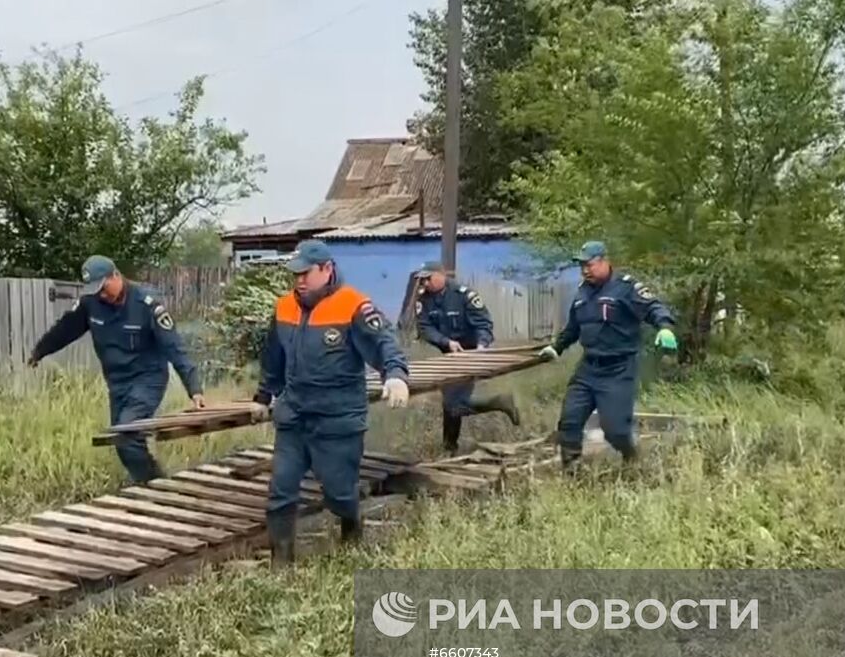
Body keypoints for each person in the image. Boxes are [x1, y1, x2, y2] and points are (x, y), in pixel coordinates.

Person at [252, 240, 410, 568]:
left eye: (306, 273)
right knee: (281, 490)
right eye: (294, 274)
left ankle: (351, 524)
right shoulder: (284, 307)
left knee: (338, 493)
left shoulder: (354, 306)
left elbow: (384, 344)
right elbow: (273, 357)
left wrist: (394, 375)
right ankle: (282, 563)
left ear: (326, 269)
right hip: (294, 415)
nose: (299, 280)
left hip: (337, 419)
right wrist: (264, 395)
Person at [29, 255, 205, 483]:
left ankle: (156, 487)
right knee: (122, 440)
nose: (101, 295)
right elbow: (66, 329)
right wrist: (40, 351)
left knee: (126, 434)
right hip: (116, 382)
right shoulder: (90, 303)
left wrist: (194, 388)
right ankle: (152, 484)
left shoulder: (146, 305)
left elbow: (175, 347)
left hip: (147, 379)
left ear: (116, 276)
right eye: (96, 291)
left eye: (104, 288)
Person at [539, 241, 677, 468]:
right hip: (588, 368)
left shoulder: (625, 287)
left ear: (604, 261)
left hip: (618, 369)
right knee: (569, 422)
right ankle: (572, 473)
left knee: (615, 430)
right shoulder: (583, 292)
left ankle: (633, 461)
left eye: (589, 264)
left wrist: (665, 327)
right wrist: (556, 347)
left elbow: (653, 307)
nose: (585, 270)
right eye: (581, 265)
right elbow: (574, 328)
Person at [413, 261, 520, 453]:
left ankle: (499, 402)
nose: (424, 283)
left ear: (441, 275)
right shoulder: (424, 300)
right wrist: (446, 342)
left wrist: (482, 346)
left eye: (428, 278)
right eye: (422, 279)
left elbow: (483, 323)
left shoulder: (463, 295)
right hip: (449, 354)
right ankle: (450, 446)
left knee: (453, 403)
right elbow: (425, 328)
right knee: (450, 403)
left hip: (470, 354)